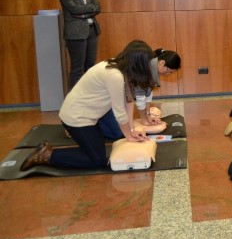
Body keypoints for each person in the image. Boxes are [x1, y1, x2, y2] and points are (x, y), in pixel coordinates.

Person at [20, 40, 155, 171]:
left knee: (96, 152)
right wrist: (129, 136)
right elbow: (119, 112)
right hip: (76, 119)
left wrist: (131, 131)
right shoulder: (115, 76)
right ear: (138, 64)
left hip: (88, 118)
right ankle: (47, 155)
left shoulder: (119, 67)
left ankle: (48, 151)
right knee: (98, 160)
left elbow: (128, 101)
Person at [99, 48, 182, 140]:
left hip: (121, 96)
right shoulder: (146, 68)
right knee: (117, 133)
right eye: (169, 71)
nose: (168, 74)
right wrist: (143, 120)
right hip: (105, 98)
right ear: (162, 63)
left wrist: (148, 115)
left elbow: (148, 94)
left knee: (123, 126)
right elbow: (140, 98)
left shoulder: (154, 68)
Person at [57, 0, 102, 89]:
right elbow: (73, 9)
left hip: (92, 29)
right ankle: (75, 102)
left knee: (91, 67)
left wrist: (83, 13)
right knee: (77, 68)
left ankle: (90, 98)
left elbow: (97, 7)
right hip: (75, 33)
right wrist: (89, 9)